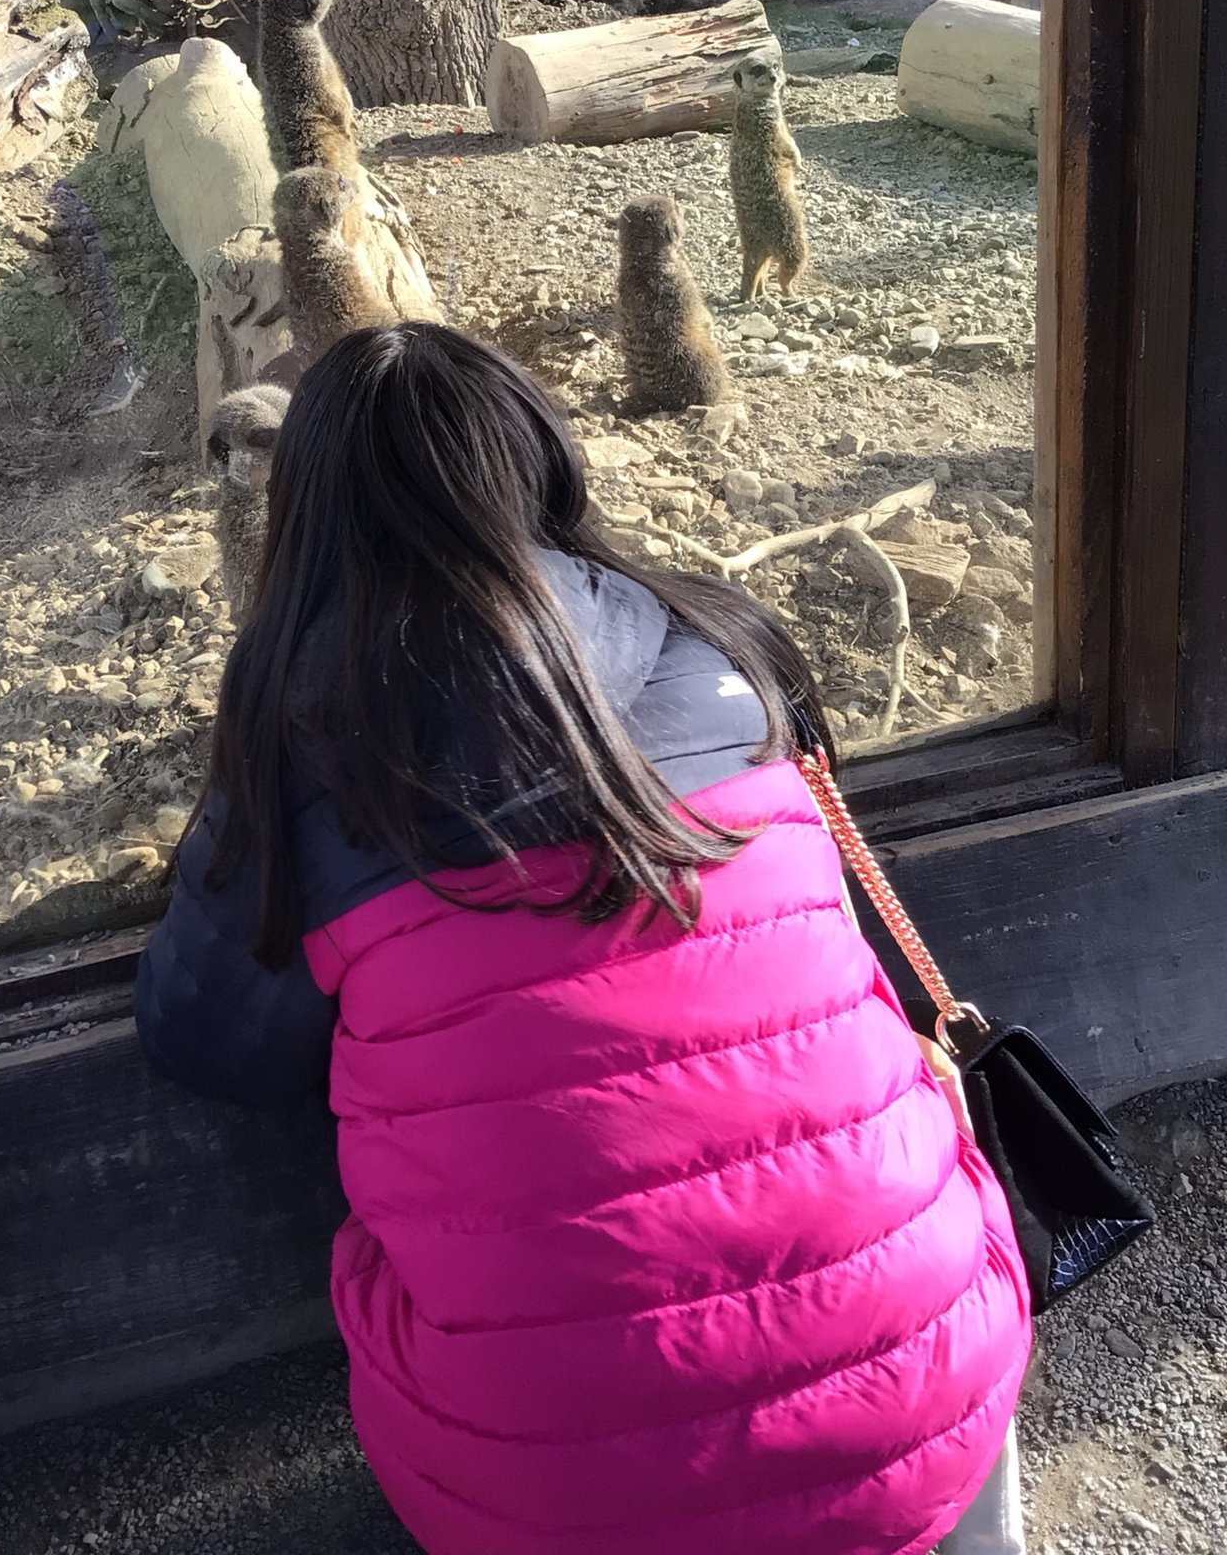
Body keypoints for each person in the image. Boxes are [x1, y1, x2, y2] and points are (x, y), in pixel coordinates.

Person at [136, 322, 1031, 1555]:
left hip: (560, 1503)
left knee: (393, 1260)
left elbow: (207, 1040)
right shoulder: (724, 642)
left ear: (307, 510)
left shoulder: (302, 744)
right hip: (932, 1396)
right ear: (544, 463)